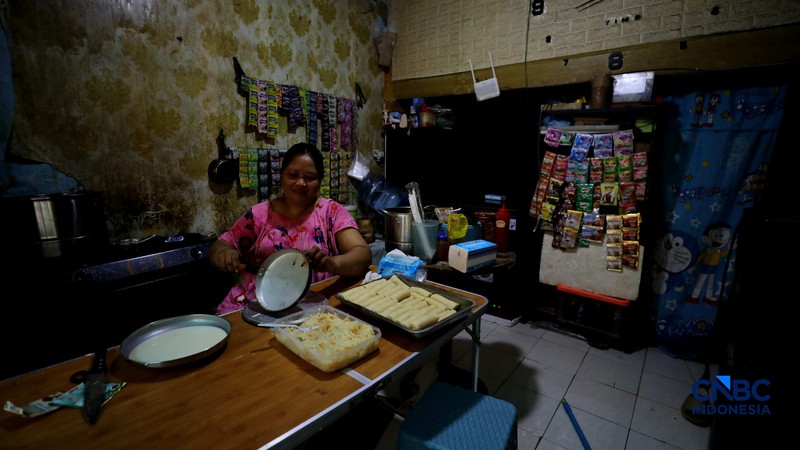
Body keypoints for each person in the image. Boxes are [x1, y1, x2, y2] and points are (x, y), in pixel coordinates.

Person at [210, 142, 372, 315]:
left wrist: (332, 264)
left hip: (310, 307)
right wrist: (224, 253)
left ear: (320, 181)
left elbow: (362, 253)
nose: (301, 183)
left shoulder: (330, 213)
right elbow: (220, 246)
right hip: (256, 305)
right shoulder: (259, 214)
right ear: (281, 176)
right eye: (293, 175)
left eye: (310, 177)